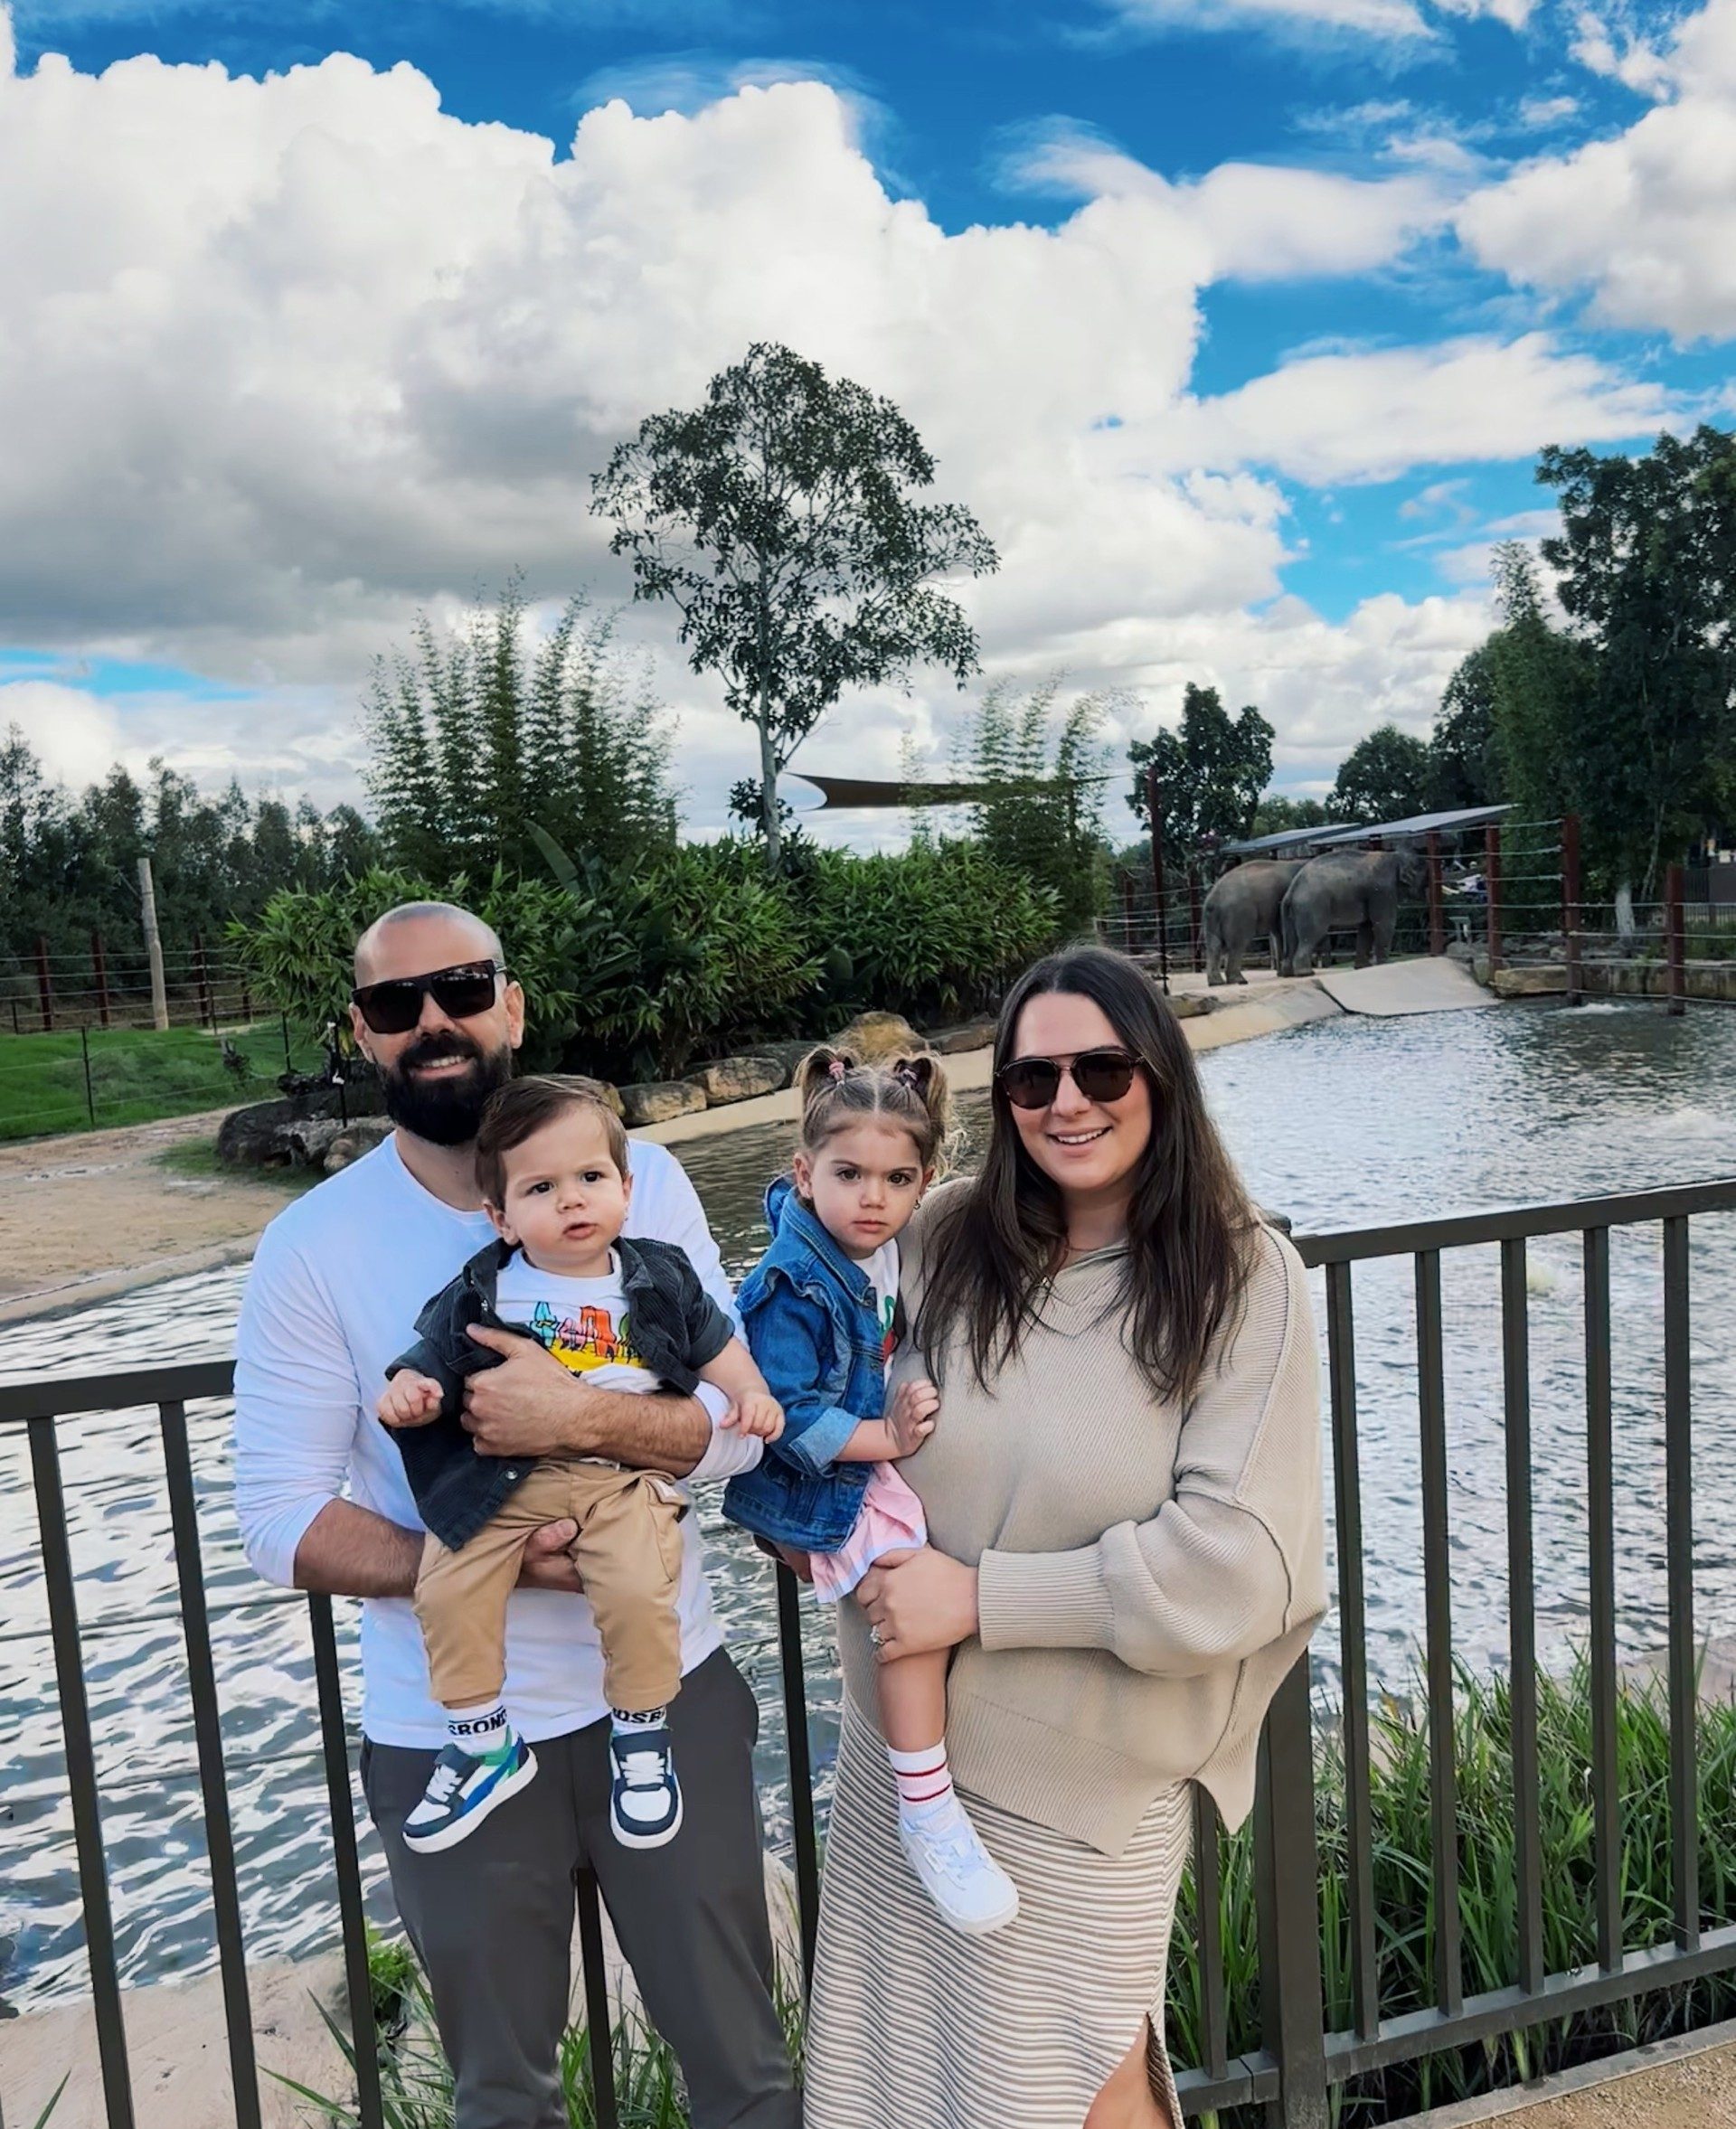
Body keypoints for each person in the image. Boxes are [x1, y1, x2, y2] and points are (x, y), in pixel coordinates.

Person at [232, 902, 799, 2129]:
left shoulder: (634, 1192)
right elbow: (277, 1515)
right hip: (447, 1730)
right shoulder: (311, 1246)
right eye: (397, 1003)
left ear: (515, 1004)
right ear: (364, 1032)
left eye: (464, 986)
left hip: (669, 1690)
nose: (434, 1019)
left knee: (747, 2073)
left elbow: (729, 1423)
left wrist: (581, 1422)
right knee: (503, 2096)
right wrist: (493, 1557)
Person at [801, 947, 1327, 2129]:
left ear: (1162, 1074)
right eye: (1033, 1079)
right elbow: (804, 1381)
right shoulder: (938, 1240)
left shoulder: (1245, 1282)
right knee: (920, 2082)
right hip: (909, 1766)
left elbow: (1238, 1560)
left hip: (1093, 1782)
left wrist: (983, 1597)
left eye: (1100, 1066)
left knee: (1066, 2075)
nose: (1067, 1101)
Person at [377, 1076, 785, 1856]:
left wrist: (753, 1392)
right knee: (447, 1575)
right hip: (506, 1478)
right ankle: (480, 1736)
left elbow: (715, 1346)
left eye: (590, 1178)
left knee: (638, 1583)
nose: (571, 1200)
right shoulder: (486, 1288)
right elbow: (429, 1356)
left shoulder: (657, 1276)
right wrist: (411, 1389)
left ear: (626, 1189)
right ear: (499, 1215)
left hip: (618, 1475)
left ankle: (640, 1734)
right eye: (541, 1187)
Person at [723, 1048, 1019, 1937]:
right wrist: (888, 1436)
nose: (872, 1199)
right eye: (849, 1175)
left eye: (897, 1179)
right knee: (912, 1606)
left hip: (855, 1456)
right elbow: (783, 1412)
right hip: (814, 1476)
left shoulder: (881, 1248)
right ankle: (925, 1804)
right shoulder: (791, 1282)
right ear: (804, 1172)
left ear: (926, 1182)